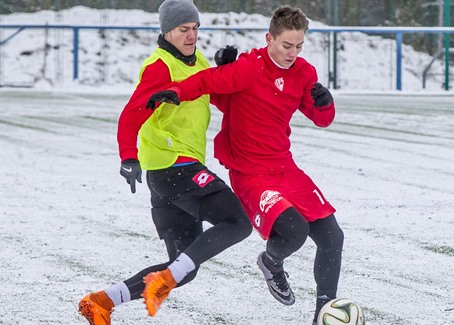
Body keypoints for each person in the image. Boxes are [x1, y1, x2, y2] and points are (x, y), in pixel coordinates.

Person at [146, 6, 344, 324]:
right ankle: (271, 263)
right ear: (269, 39)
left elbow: (322, 119)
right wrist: (175, 91)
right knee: (294, 230)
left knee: (333, 236)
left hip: (285, 168)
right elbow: (206, 82)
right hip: (251, 174)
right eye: (286, 45)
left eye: (298, 46)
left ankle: (325, 311)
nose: (292, 53)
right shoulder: (248, 67)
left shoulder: (304, 73)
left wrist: (325, 103)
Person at [77, 1, 252, 324]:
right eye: (184, 30)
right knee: (238, 222)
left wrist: (225, 70)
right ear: (166, 31)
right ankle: (158, 283)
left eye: (195, 29)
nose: (191, 36)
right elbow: (132, 113)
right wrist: (128, 156)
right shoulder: (160, 67)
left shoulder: (197, 60)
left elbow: (219, 97)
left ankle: (102, 301)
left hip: (170, 176)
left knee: (182, 269)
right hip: (175, 166)